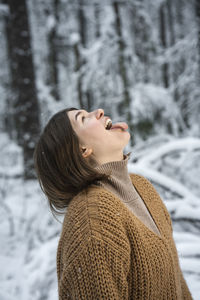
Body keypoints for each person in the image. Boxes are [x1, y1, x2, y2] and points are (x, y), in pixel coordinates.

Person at [34, 107, 193, 300]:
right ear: (82, 149)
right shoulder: (92, 217)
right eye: (83, 118)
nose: (99, 111)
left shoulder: (143, 189)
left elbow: (178, 286)